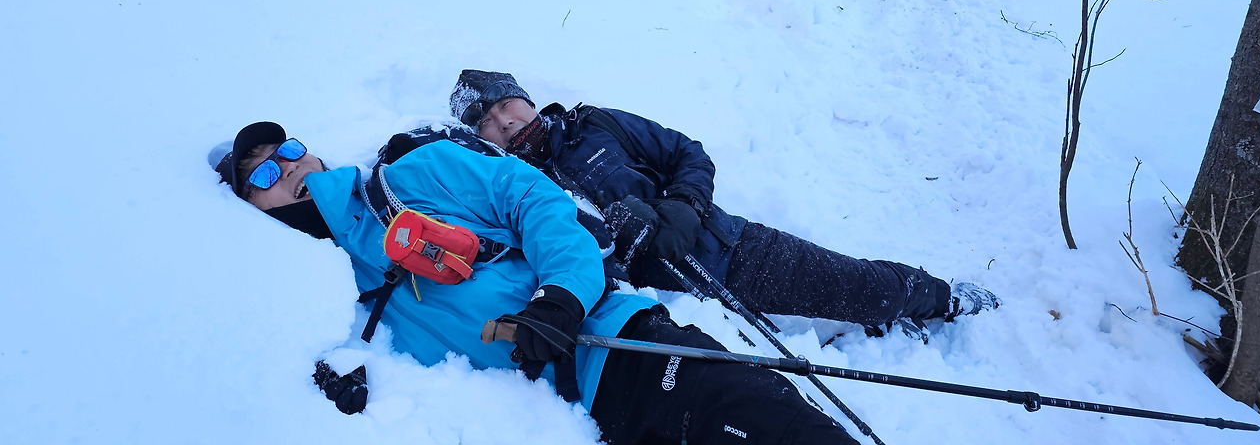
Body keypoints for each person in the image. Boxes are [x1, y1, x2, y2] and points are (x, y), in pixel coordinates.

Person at [210, 121, 857, 443]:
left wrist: (563, 295)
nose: (284, 170)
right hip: (555, 426)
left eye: (286, 152)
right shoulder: (307, 296)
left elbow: (535, 201)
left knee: (766, 425)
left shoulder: (412, 176)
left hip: (620, 349)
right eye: (260, 176)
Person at [449, 70, 1001, 341]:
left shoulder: (595, 125)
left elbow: (687, 153)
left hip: (730, 249)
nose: (505, 123)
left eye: (504, 105)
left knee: (862, 287)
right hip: (671, 310)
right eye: (488, 124)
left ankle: (942, 298)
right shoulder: (516, 190)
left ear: (522, 96)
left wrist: (683, 208)